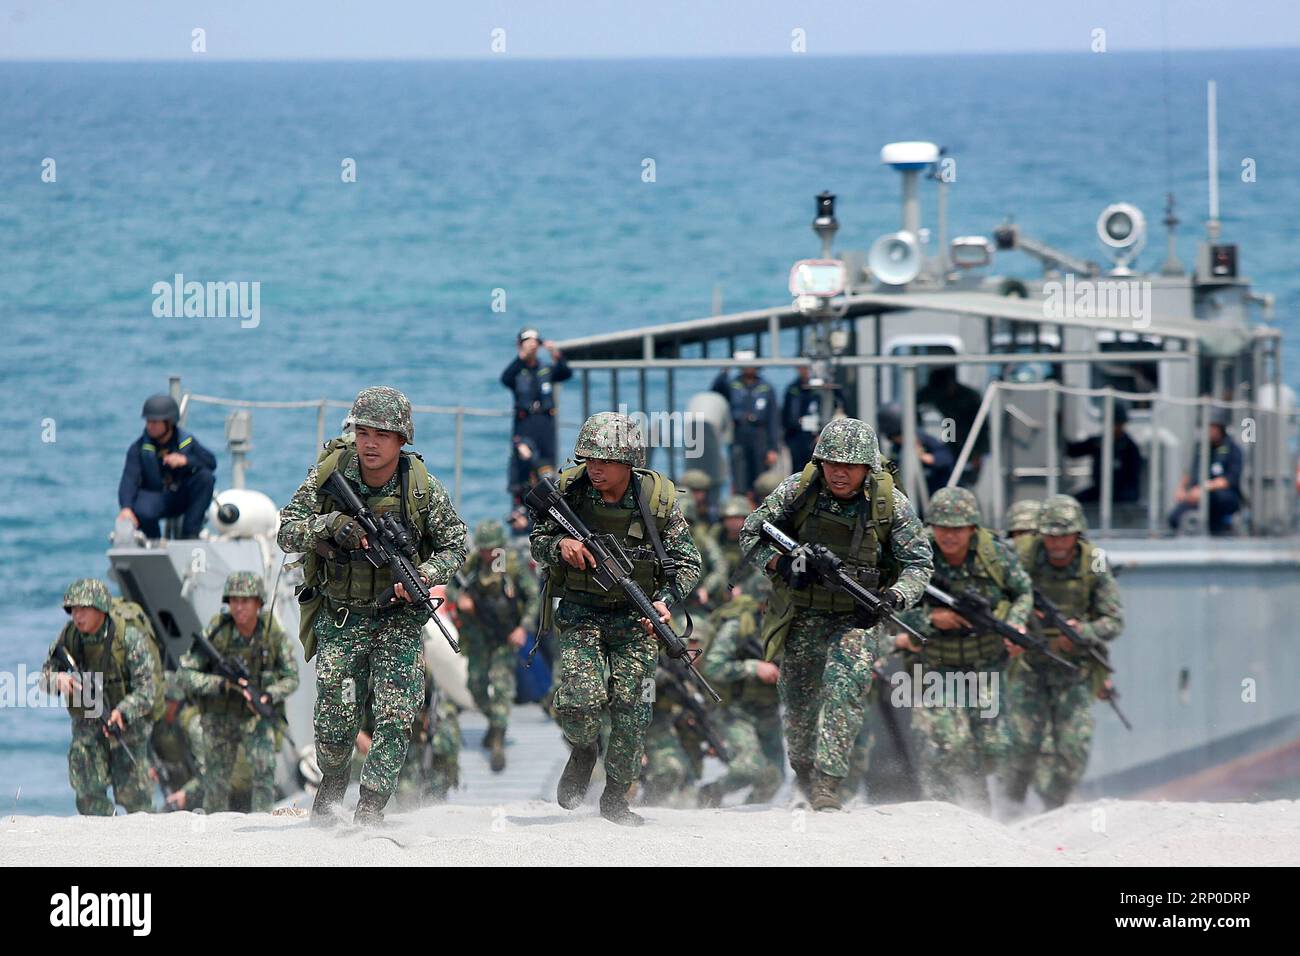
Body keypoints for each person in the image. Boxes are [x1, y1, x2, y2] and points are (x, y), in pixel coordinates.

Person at [278, 386, 468, 826]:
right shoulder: (330, 474)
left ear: (402, 440)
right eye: (363, 432)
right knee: (333, 723)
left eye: (382, 434)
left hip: (398, 621)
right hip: (342, 617)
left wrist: (423, 576)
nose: (369, 442)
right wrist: (331, 523)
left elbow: (456, 544)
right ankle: (330, 788)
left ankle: (370, 807)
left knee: (397, 715)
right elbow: (286, 531)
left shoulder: (421, 489)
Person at [740, 418, 933, 811]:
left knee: (844, 689)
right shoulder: (798, 490)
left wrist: (895, 597)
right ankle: (807, 776)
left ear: (867, 468)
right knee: (797, 702)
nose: (839, 473)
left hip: (857, 617)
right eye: (831, 463)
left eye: (849, 466)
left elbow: (919, 563)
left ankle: (829, 784)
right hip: (804, 612)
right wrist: (783, 565)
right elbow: (750, 535)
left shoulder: (889, 503)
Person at [530, 411, 702, 826]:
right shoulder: (568, 492)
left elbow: (689, 562)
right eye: (589, 459)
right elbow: (537, 540)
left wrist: (665, 600)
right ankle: (585, 748)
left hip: (636, 618)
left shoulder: (658, 502)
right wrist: (561, 546)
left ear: (629, 462)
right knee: (579, 701)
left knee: (633, 709)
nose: (595, 468)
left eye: (604, 461)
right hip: (582, 613)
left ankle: (615, 799)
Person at [893, 487, 1032, 810]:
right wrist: (931, 617)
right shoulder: (916, 554)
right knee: (944, 741)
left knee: (994, 747)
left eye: (957, 528)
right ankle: (943, 811)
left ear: (972, 528)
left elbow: (1023, 592)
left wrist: (1017, 625)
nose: (949, 535)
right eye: (942, 527)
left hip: (985, 664)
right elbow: (891, 604)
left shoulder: (995, 555)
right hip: (934, 664)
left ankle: (977, 800)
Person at [1003, 495, 1124, 810]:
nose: (1056, 542)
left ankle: (1053, 808)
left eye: (1064, 535)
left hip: (1073, 669)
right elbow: (998, 598)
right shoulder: (1022, 555)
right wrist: (1017, 622)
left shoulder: (1094, 562)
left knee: (1073, 749)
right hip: (1028, 665)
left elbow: (1113, 620)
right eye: (1051, 534)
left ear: (1078, 534)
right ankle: (1011, 805)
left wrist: (1083, 632)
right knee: (1022, 744)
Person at [177, 571, 298, 812]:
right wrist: (222, 685)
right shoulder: (218, 632)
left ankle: (263, 823)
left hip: (255, 715)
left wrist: (268, 695)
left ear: (258, 603)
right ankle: (214, 829)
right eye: (234, 601)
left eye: (245, 601)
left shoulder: (271, 634)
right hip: (219, 717)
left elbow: (291, 678)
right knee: (216, 781)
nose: (239, 607)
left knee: (264, 773)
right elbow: (185, 675)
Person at [41, 579, 162, 815]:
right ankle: (103, 833)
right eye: (73, 610)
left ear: (100, 609)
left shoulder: (129, 638)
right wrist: (58, 680)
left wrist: (123, 712)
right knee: (87, 790)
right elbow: (45, 676)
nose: (77, 616)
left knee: (135, 797)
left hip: (126, 724)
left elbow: (147, 691)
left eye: (83, 609)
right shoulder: (69, 637)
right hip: (87, 723)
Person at [449, 519, 539, 772]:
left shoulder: (511, 566)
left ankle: (498, 734)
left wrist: (523, 628)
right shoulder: (472, 564)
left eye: (493, 548)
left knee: (502, 687)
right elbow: (451, 587)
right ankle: (494, 719)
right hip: (478, 634)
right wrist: (461, 598)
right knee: (475, 685)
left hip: (504, 636)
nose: (489, 553)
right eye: (485, 548)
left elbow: (533, 596)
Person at [697, 579, 784, 806]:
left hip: (767, 708)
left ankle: (750, 820)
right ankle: (711, 792)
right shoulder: (739, 626)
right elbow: (713, 666)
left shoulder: (786, 626)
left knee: (774, 777)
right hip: (736, 709)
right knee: (749, 768)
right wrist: (753, 667)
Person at [117, 394, 217, 539]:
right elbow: (129, 479)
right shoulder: (138, 448)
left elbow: (211, 463)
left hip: (182, 496)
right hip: (157, 498)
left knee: (205, 478)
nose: (149, 426)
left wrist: (186, 461)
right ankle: (153, 541)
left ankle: (190, 534)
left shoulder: (186, 441)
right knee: (141, 507)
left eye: (155, 422)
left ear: (169, 422)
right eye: (148, 421)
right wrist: (126, 508)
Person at [501, 328, 572, 472]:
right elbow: (505, 379)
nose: (532, 346)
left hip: (545, 422)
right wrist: (521, 357)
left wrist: (554, 353)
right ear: (520, 345)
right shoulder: (517, 370)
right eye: (527, 342)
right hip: (525, 423)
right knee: (524, 462)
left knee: (547, 468)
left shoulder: (545, 368)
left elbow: (565, 373)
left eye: (534, 342)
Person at [1167, 411, 1243, 534]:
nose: (1210, 431)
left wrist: (1204, 488)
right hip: (1197, 495)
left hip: (1221, 496)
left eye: (1213, 427)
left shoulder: (1233, 449)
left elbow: (1230, 479)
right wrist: (1181, 488)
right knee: (1175, 517)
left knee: (1216, 499)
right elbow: (1190, 471)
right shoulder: (1202, 448)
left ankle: (1222, 528)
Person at [712, 366, 780, 496]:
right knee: (739, 476)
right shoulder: (732, 384)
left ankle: (759, 505)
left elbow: (773, 419)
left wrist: (773, 448)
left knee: (760, 478)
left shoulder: (766, 387)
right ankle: (741, 506)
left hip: (760, 436)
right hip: (738, 435)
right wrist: (723, 372)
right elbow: (716, 393)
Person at [916, 367, 987, 484]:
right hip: (934, 446)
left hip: (963, 446)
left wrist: (977, 454)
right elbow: (913, 420)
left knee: (960, 483)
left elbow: (981, 428)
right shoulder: (925, 396)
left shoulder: (969, 397)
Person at [150, 671, 206, 811]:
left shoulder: (191, 725)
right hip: (171, 792)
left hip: (197, 794)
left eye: (164, 699)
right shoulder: (158, 724)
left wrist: (187, 793)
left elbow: (207, 771)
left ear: (175, 701)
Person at [1066, 404, 1143, 504]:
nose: (1115, 428)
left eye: (1118, 424)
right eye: (1113, 424)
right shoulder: (1099, 442)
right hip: (1100, 491)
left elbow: (1133, 478)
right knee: (1072, 502)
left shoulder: (1130, 448)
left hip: (1123, 494)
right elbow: (1073, 451)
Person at [877, 403, 955, 495]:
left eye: (897, 436)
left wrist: (924, 457)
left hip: (936, 491)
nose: (896, 440)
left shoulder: (923, 440)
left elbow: (946, 459)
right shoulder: (897, 447)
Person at [782, 365, 842, 472]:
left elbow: (837, 406)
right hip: (798, 437)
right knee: (800, 469)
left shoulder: (827, 390)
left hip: (820, 436)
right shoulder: (793, 389)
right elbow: (787, 416)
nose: (806, 372)